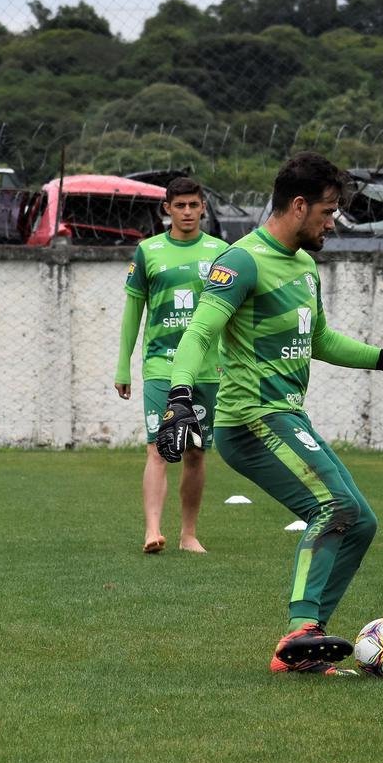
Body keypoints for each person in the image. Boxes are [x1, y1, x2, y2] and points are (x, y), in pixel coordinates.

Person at [156, 152, 383, 675]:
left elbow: (320, 340)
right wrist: (179, 397)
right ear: (298, 206)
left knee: (360, 522)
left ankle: (306, 647)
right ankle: (302, 627)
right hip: (251, 419)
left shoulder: (305, 265)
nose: (332, 223)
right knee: (334, 506)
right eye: (328, 211)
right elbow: (199, 332)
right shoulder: (241, 261)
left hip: (287, 417)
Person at [114, 176, 227, 554]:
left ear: (203, 208)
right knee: (158, 447)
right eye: (180, 205)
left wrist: (230, 360)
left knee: (196, 451)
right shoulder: (148, 251)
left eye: (194, 205)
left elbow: (232, 313)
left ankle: (188, 534)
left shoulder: (221, 252)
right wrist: (123, 366)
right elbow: (133, 312)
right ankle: (152, 530)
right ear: (167, 209)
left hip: (207, 368)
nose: (188, 212)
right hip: (161, 366)